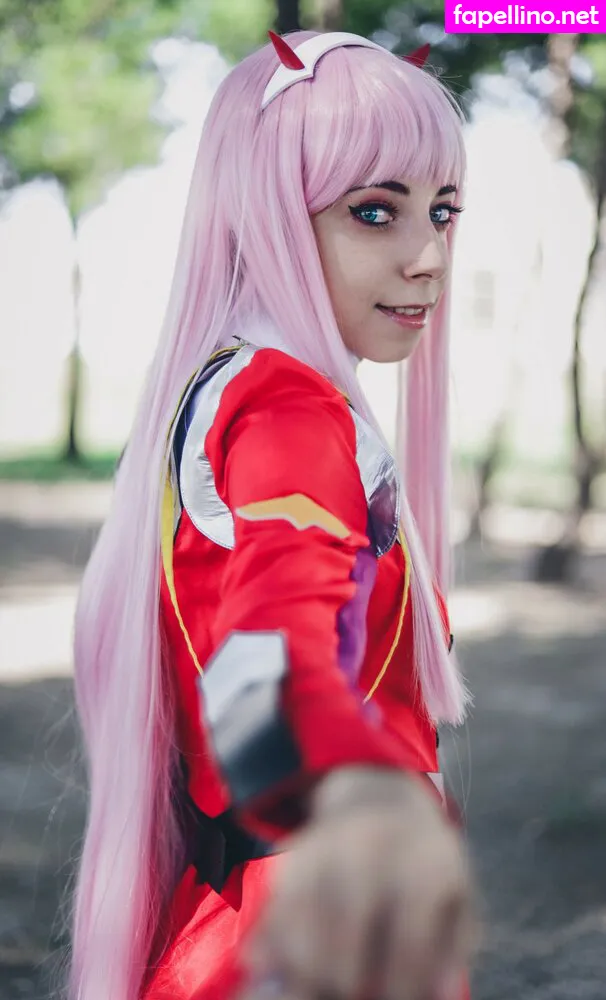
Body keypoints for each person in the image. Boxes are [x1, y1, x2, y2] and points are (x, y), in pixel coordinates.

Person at [68, 28, 475, 1000]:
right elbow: (275, 667)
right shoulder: (291, 409)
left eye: (442, 211)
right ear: (267, 215)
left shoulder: (236, 384)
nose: (428, 256)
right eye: (374, 212)